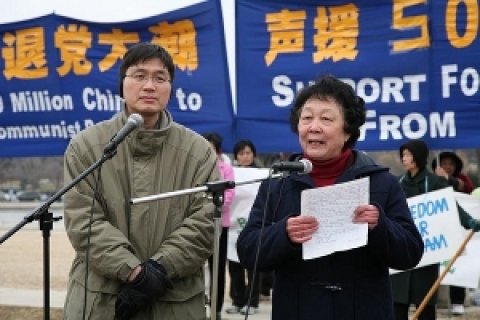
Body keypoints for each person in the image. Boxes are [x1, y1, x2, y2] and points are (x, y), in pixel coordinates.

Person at [236, 74, 425, 320]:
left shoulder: (383, 184)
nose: (314, 126)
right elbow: (248, 251)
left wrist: (381, 226)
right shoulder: (278, 185)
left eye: (326, 118)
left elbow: (411, 253)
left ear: (348, 131)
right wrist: (283, 233)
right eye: (306, 118)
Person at [62, 43, 220, 320]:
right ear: (123, 84)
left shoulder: (198, 152)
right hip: (101, 301)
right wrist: (133, 270)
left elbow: (204, 221)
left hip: (174, 302)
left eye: (160, 78)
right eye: (139, 75)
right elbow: (83, 220)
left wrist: (160, 269)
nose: (149, 86)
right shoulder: (86, 147)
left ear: (170, 88)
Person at [391, 140, 480, 320]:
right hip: (402, 254)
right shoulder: (397, 183)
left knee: (425, 306)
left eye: (408, 155)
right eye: (403, 155)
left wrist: (468, 221)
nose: (404, 159)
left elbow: (451, 206)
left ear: (419, 157)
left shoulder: (435, 182)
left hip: (427, 253)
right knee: (397, 307)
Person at [431, 151, 475, 316]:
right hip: (437, 228)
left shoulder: (462, 179)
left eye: (451, 164)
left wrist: (449, 180)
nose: (448, 167)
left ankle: (457, 301)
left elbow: (468, 189)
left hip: (457, 229)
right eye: (444, 163)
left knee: (458, 263)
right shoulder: (431, 178)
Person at [225, 140, 262, 315]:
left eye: (248, 153)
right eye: (241, 153)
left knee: (254, 267)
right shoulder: (229, 173)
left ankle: (252, 302)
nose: (245, 157)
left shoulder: (263, 174)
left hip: (255, 225)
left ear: (254, 154)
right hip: (233, 226)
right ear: (236, 156)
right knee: (234, 266)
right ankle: (237, 300)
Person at [202, 132, 235, 320]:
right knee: (195, 267)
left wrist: (211, 204)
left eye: (211, 147)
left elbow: (229, 195)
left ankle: (217, 307)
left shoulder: (226, 168)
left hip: (220, 224)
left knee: (218, 267)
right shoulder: (195, 166)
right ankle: (199, 303)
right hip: (198, 224)